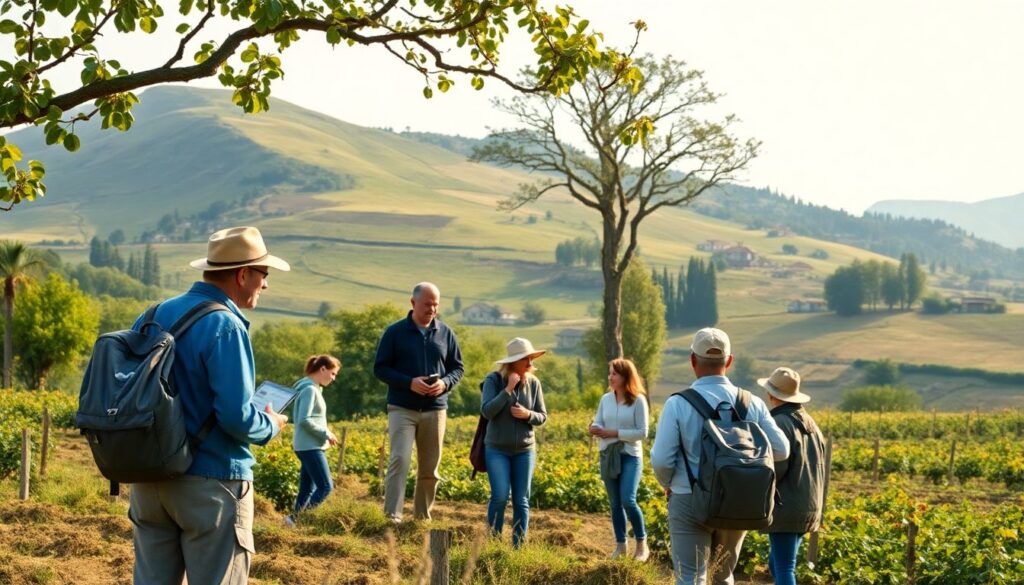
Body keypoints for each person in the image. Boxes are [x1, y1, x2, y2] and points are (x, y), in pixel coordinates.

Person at [128, 226, 290, 585]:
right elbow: (234, 416)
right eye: (264, 274)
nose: (265, 284)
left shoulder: (153, 314)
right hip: (212, 483)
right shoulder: (226, 325)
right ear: (243, 274)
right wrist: (270, 426)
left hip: (149, 481)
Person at [650, 327, 790, 585]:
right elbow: (782, 450)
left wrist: (668, 484)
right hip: (738, 498)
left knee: (691, 577)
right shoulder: (753, 403)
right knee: (723, 576)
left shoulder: (678, 404)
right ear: (729, 361)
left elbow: (661, 460)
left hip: (688, 496)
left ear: (693, 360)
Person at [373, 282, 464, 522]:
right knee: (400, 459)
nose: (432, 309)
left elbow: (457, 368)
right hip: (401, 407)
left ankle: (422, 517)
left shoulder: (446, 333)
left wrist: (445, 383)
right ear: (413, 303)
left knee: (430, 468)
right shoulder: (394, 332)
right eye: (427, 304)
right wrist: (408, 382)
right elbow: (380, 368)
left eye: (435, 305)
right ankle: (392, 516)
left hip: (435, 410)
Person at [759, 367, 825, 585]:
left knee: (785, 567)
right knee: (777, 564)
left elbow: (776, 468)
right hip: (809, 504)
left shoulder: (778, 423)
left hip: (785, 505)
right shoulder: (811, 423)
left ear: (771, 395)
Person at [480, 337, 548, 548]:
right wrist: (507, 390)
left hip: (525, 450)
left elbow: (542, 416)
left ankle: (518, 548)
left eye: (531, 358)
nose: (530, 363)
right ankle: (494, 544)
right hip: (497, 450)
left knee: (521, 501)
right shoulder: (493, 380)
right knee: (499, 497)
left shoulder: (534, 383)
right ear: (512, 362)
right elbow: (487, 411)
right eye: (525, 359)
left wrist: (528, 414)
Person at [589, 358, 651, 561]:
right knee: (615, 503)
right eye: (610, 373)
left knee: (628, 500)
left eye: (614, 373)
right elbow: (598, 419)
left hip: (630, 456)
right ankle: (620, 546)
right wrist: (595, 427)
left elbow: (642, 432)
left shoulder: (638, 400)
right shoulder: (605, 399)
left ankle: (642, 544)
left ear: (626, 377)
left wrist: (613, 432)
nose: (610, 377)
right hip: (608, 455)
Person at [288, 354, 342, 523]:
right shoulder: (310, 390)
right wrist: (326, 433)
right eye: (333, 373)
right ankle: (300, 520)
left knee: (307, 489)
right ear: (323, 369)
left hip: (307, 445)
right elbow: (304, 420)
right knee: (325, 486)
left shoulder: (313, 388)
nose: (333, 379)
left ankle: (293, 522)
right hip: (310, 446)